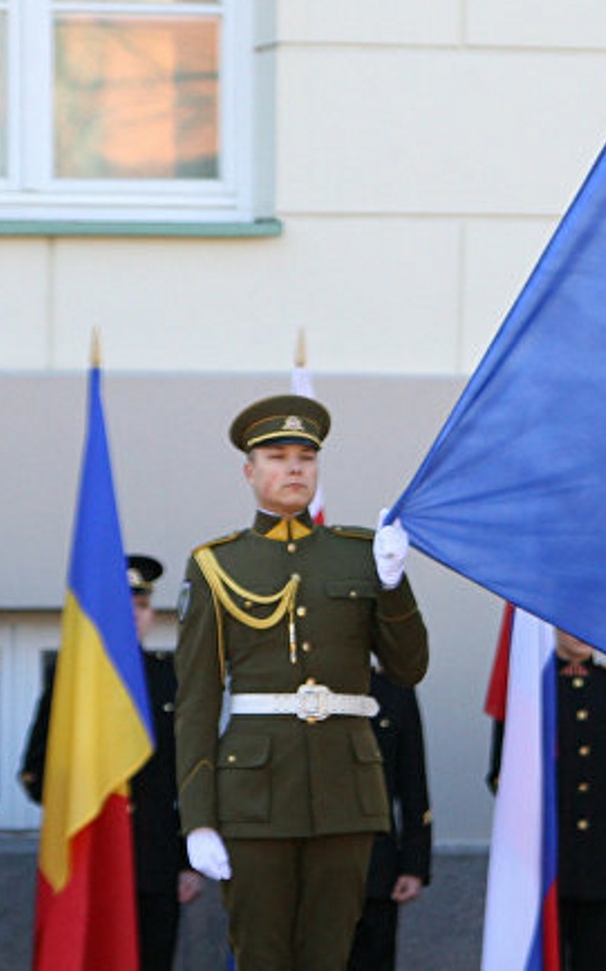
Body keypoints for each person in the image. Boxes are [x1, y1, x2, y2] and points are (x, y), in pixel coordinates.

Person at [175, 393, 429, 971]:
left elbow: (408, 669)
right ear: (250, 471)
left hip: (345, 788)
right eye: (278, 456)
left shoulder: (359, 554)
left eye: (306, 458)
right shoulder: (217, 565)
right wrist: (199, 818)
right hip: (254, 794)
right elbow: (196, 700)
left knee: (329, 956)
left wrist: (394, 584)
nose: (295, 468)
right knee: (262, 955)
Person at [19, 554, 202, 971]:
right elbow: (36, 769)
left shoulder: (172, 678)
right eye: (124, 605)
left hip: (155, 860)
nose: (134, 615)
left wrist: (188, 861)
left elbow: (191, 774)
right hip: (90, 853)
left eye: (141, 606)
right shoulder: (73, 678)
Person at [487, 632, 606, 971]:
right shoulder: (527, 688)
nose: (583, 635)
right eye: (570, 624)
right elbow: (500, 777)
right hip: (545, 862)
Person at [346, 667, 431, 971]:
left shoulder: (394, 690)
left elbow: (412, 783)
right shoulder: (304, 689)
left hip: (377, 866)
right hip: (313, 865)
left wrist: (414, 864)